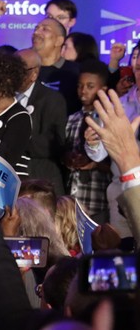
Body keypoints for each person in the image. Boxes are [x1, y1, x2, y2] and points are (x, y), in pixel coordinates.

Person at [64, 60, 113, 224]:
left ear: (103, 90)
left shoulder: (109, 120)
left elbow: (116, 164)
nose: (83, 90)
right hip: (73, 196)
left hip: (98, 198)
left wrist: (95, 165)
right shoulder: (72, 119)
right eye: (80, 86)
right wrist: (68, 158)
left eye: (90, 86)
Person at [16, 48, 69, 194]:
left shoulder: (52, 100)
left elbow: (54, 144)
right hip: (8, 178)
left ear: (34, 74)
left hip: (40, 181)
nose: (12, 74)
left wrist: (14, 138)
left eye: (19, 70)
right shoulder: (3, 97)